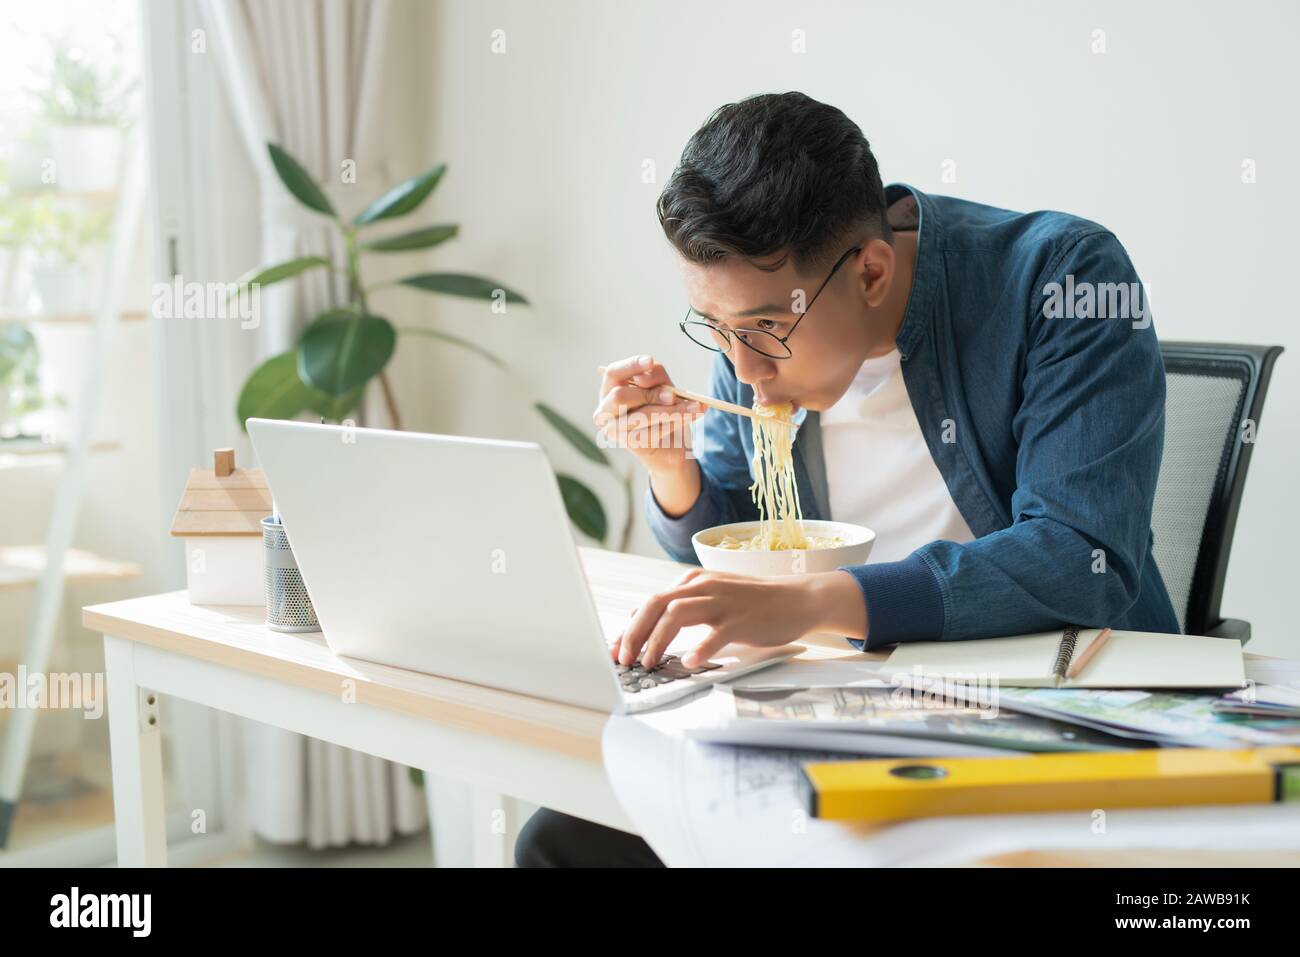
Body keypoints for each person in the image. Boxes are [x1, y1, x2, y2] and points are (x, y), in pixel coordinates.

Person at [515, 90, 1179, 867]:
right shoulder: (753, 335)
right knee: (558, 843)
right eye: (718, 330)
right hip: (845, 704)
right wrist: (671, 465)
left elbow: (1079, 553)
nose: (742, 368)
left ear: (870, 272)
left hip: (1048, 712)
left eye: (765, 328)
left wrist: (808, 605)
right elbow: (736, 527)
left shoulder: (1060, 277)